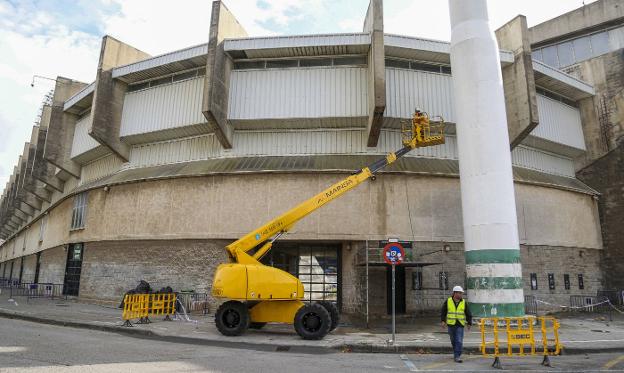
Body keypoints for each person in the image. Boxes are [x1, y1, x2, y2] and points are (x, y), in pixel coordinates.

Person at [440, 285, 472, 363]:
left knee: (459, 340)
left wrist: (469, 323)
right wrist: (443, 321)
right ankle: (456, 353)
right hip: (451, 324)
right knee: (453, 340)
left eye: (461, 293)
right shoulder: (448, 301)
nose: (461, 295)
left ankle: (457, 356)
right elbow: (443, 311)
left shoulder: (464, 302)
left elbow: (468, 313)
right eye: (459, 293)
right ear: (455, 293)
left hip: (460, 324)